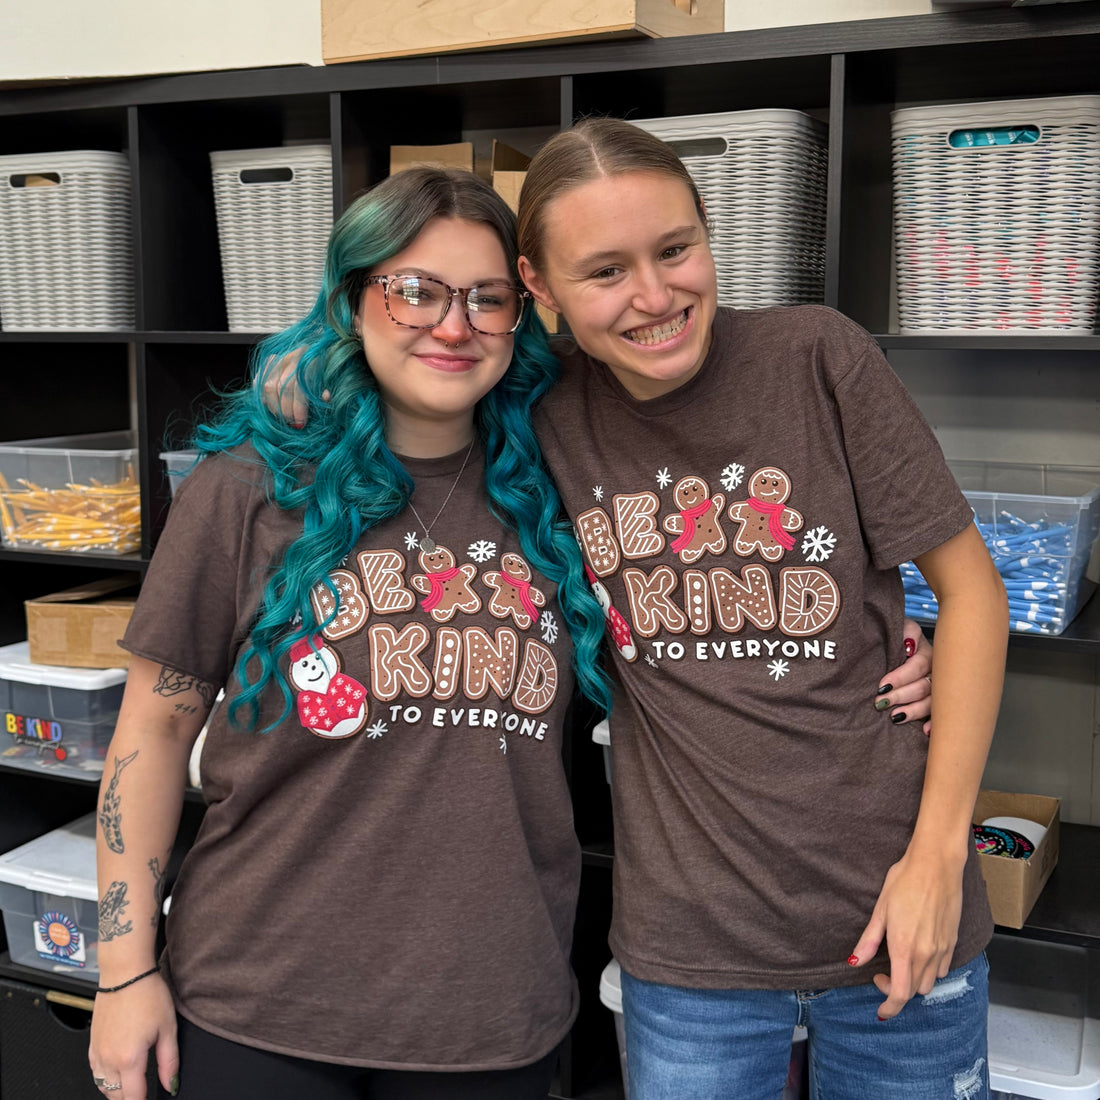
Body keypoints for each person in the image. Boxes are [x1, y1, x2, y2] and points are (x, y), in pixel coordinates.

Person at [88, 167, 618, 1100]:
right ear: (352, 300)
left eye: (487, 299)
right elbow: (155, 731)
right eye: (414, 289)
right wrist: (124, 973)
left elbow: (709, 615)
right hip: (260, 1004)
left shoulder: (561, 494)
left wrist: (894, 647)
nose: (452, 325)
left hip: (490, 1012)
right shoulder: (247, 490)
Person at [510, 119, 1009, 1099]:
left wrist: (936, 859)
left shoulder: (817, 358)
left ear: (707, 233)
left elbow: (972, 592)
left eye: (674, 248)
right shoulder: (538, 413)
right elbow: (397, 380)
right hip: (691, 951)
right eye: (604, 271)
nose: (654, 297)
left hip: (899, 907)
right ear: (539, 289)